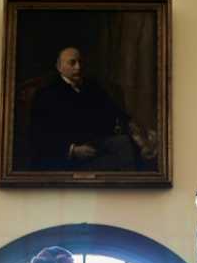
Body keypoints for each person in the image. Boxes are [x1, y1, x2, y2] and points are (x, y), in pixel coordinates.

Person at [29, 46, 158, 171]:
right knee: (122, 158)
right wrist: (73, 150)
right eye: (72, 63)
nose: (78, 67)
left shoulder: (91, 86)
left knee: (125, 143)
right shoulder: (47, 94)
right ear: (59, 67)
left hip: (96, 144)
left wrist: (134, 128)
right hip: (66, 156)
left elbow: (113, 109)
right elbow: (39, 135)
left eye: (80, 62)